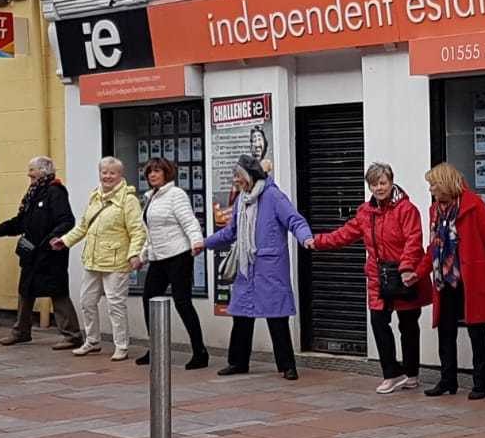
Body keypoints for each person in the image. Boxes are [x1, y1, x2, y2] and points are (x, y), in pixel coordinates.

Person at [311, 162, 429, 394]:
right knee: (378, 321)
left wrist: (406, 267)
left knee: (408, 325)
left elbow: (413, 240)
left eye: (382, 183)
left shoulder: (407, 209)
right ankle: (392, 373)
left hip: (404, 275)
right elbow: (345, 234)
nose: (378, 188)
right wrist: (317, 241)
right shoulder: (365, 212)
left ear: (391, 182)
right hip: (378, 276)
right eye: (374, 184)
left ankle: (412, 373)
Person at [195, 155, 313, 379]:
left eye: (238, 175)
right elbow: (231, 232)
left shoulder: (273, 196)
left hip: (270, 267)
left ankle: (287, 366)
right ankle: (238, 362)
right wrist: (205, 243)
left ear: (249, 176)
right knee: (241, 317)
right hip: (246, 267)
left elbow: (294, 220)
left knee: (277, 318)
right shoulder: (242, 199)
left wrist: (305, 238)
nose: (235, 180)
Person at [410, 163, 485, 401]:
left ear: (445, 183)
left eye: (433, 184)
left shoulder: (474, 205)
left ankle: (480, 383)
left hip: (472, 278)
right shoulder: (435, 210)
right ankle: (448, 380)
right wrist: (419, 272)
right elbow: (434, 246)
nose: (430, 189)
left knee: (476, 331)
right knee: (445, 331)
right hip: (445, 279)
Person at [53, 156, 145, 362]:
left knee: (115, 305)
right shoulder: (95, 196)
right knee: (86, 301)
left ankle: (121, 345)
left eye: (112, 173)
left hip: (116, 262)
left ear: (120, 175)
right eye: (104, 172)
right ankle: (92, 341)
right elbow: (83, 226)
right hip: (93, 260)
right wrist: (65, 241)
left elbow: (137, 230)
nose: (107, 176)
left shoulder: (128, 200)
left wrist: (134, 254)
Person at [0, 155, 81, 348]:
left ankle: (72, 335)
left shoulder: (55, 192)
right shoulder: (33, 194)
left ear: (44, 171)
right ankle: (21, 331)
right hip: (31, 252)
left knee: (58, 292)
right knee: (25, 290)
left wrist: (51, 240)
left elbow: (67, 221)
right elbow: (20, 222)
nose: (28, 174)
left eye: (32, 170)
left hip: (51, 253)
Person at [136, 157, 210, 370]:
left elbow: (189, 221)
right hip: (158, 258)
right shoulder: (150, 197)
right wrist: (142, 256)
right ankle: (156, 349)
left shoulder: (176, 194)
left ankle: (200, 352)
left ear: (166, 173)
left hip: (179, 255)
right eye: (149, 172)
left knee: (182, 302)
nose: (152, 175)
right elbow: (151, 233)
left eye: (157, 171)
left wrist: (196, 241)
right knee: (149, 300)